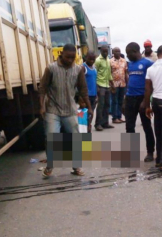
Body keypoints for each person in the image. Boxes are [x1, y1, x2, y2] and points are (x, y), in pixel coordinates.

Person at [39, 44, 92, 178]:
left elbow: (83, 90)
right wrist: (42, 106)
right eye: (68, 57)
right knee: (51, 138)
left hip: (70, 110)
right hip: (53, 110)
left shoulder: (78, 69)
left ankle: (76, 167)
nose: (70, 60)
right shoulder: (51, 68)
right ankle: (50, 165)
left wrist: (89, 107)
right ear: (61, 54)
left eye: (72, 58)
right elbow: (43, 88)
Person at [125, 42, 156, 162]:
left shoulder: (148, 63)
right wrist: (125, 100)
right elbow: (130, 82)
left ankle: (150, 152)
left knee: (147, 126)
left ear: (135, 51)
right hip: (130, 98)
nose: (127, 56)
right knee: (129, 127)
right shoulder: (130, 64)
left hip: (143, 98)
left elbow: (152, 82)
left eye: (128, 53)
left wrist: (146, 101)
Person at [95, 45, 115, 131]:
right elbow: (95, 74)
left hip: (107, 85)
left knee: (107, 105)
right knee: (101, 105)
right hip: (100, 85)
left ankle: (105, 123)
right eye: (104, 51)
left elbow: (109, 73)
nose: (105, 53)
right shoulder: (98, 60)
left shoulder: (108, 60)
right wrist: (97, 87)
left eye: (107, 51)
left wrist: (112, 84)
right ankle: (98, 124)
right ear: (101, 51)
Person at [110, 47, 128, 124]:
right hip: (114, 84)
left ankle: (119, 116)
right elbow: (109, 73)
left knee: (121, 101)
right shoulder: (110, 61)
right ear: (113, 52)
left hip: (122, 84)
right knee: (114, 101)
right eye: (116, 51)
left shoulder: (124, 61)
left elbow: (126, 72)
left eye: (119, 51)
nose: (118, 52)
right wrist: (111, 84)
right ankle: (114, 117)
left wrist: (127, 84)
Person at [82, 50, 98, 133]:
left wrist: (97, 95)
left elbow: (95, 81)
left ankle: (89, 126)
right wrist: (81, 98)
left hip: (93, 95)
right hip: (86, 96)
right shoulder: (83, 67)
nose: (92, 61)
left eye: (93, 59)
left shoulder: (94, 68)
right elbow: (80, 83)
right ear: (86, 58)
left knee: (91, 113)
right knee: (86, 114)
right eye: (90, 59)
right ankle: (85, 128)